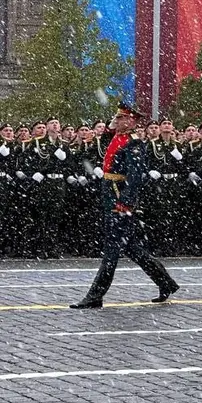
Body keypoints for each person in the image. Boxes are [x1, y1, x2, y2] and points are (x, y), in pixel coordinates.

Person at [70, 102, 179, 309]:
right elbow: (104, 143)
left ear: (131, 121)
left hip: (120, 198)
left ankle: (95, 295)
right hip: (110, 195)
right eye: (117, 118)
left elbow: (136, 177)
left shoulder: (134, 143)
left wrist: (125, 203)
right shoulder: (118, 137)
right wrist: (112, 127)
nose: (117, 120)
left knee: (112, 248)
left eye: (121, 118)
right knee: (131, 247)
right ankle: (166, 283)